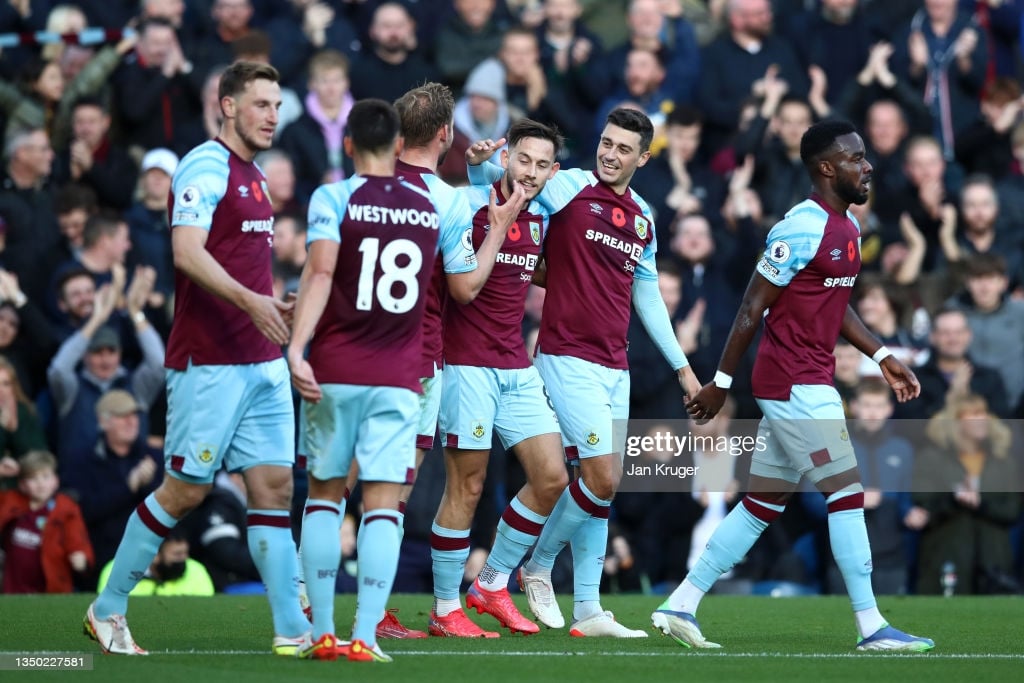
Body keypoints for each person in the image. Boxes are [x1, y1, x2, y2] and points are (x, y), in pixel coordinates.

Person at [664, 119, 934, 651]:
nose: (868, 165)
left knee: (762, 503)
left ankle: (682, 603)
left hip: (804, 379)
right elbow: (751, 306)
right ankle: (871, 626)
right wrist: (719, 382)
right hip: (793, 384)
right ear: (827, 168)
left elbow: (834, 305)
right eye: (856, 157)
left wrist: (881, 354)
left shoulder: (849, 229)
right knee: (849, 494)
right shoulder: (800, 227)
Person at [83, 61, 309, 656]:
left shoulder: (255, 176)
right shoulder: (204, 166)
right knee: (184, 490)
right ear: (227, 104)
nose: (272, 116)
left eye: (278, 105)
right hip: (209, 362)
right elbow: (185, 252)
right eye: (261, 104)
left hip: (262, 361)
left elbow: (239, 265)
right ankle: (106, 609)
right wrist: (249, 300)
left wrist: (273, 306)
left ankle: (293, 631)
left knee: (274, 488)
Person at [467, 107, 701, 637]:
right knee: (601, 476)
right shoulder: (568, 185)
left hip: (614, 366)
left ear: (643, 158)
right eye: (605, 142)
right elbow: (506, 190)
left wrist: (683, 370)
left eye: (623, 148)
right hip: (564, 356)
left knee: (599, 490)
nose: (610, 153)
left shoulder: (643, 215)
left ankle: (589, 610)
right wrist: (480, 168)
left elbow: (648, 297)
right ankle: (531, 566)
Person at [288, 98, 451, 662]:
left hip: (336, 367)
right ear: (400, 146)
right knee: (384, 503)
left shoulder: (334, 196)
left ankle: (323, 632)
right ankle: (366, 637)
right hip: (400, 375)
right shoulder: (427, 208)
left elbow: (325, 270)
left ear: (349, 144)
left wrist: (296, 346)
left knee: (326, 496)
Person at [430, 119, 567, 638]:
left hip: (515, 364)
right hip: (465, 366)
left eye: (541, 165)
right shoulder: (468, 205)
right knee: (466, 485)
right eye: (523, 160)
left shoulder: (541, 217)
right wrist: (474, 170)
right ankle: (446, 608)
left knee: (552, 478)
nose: (530, 172)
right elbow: (457, 283)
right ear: (506, 159)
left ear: (553, 171)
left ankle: (489, 584)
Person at [0, 450, 93, 593]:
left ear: (56, 481)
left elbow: (77, 539)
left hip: (52, 590)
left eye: (45, 476)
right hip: (13, 589)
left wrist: (82, 557)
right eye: (33, 478)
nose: (40, 483)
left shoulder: (66, 508)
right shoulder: (11, 501)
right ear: (23, 484)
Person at [97, 529, 215, 597]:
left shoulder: (196, 570)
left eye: (185, 553)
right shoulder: (117, 570)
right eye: (177, 554)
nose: (184, 559)